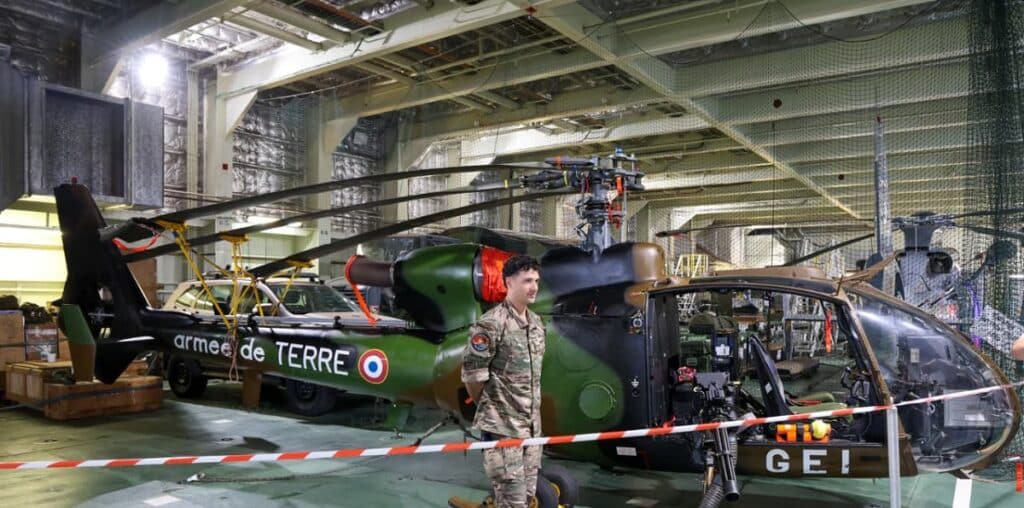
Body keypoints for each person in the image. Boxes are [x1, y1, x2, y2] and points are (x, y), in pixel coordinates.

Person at [451, 255, 545, 508]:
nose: (533, 286)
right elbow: (473, 376)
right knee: (511, 502)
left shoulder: (536, 324)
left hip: (532, 428)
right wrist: (494, 409)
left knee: (527, 499)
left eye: (536, 280)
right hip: (504, 430)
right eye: (527, 280)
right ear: (508, 282)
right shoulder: (491, 324)